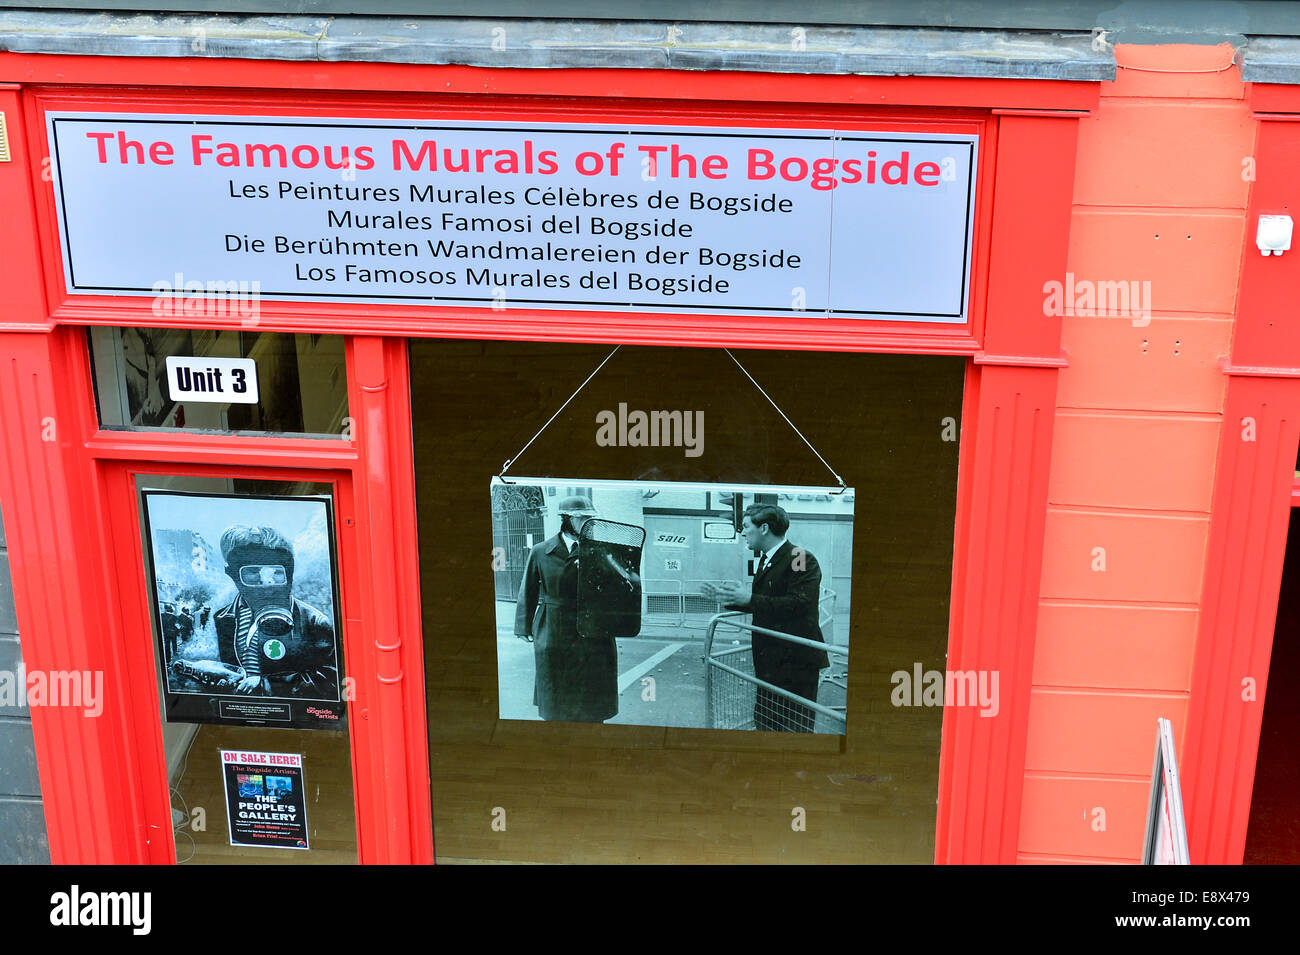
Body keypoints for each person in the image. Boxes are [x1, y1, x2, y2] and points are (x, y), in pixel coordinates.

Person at [704, 503, 828, 732]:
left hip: (795, 662)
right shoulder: (766, 558)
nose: (742, 533)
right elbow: (767, 602)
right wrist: (731, 599)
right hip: (771, 660)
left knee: (793, 726)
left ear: (764, 529)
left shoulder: (798, 557)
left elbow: (800, 603)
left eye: (746, 526)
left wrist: (749, 599)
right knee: (768, 721)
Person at [514, 495, 619, 722]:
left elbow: (616, 589)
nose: (588, 523)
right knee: (557, 693)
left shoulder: (602, 550)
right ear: (567, 519)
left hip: (593, 630)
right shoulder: (542, 551)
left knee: (592, 695)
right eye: (582, 519)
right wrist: (523, 626)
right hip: (554, 627)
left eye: (590, 518)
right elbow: (528, 589)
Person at [212, 524, 339, 698]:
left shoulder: (313, 621)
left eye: (276, 572)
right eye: (253, 571)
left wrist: (268, 686)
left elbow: (331, 679)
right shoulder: (224, 618)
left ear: (289, 573)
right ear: (232, 574)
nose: (267, 582)